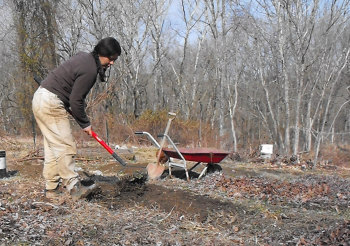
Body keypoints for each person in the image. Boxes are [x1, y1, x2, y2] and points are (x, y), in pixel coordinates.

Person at [32, 37, 121, 200]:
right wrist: (85, 124)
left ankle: (51, 188)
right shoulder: (90, 70)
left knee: (54, 147)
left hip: (42, 98)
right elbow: (76, 100)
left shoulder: (85, 58)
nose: (112, 63)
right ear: (102, 54)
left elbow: (72, 97)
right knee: (65, 145)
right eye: (112, 58)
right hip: (50, 101)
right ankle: (74, 187)